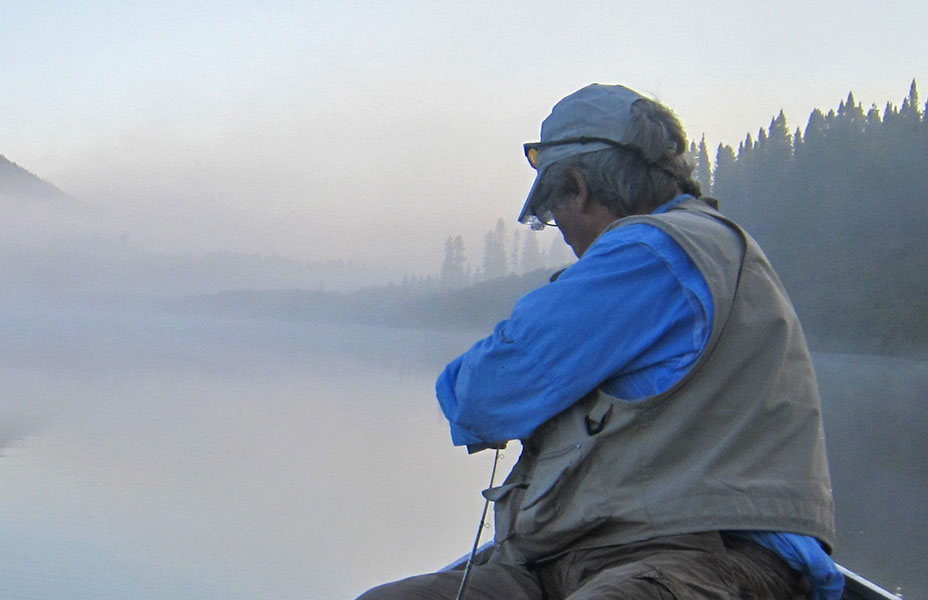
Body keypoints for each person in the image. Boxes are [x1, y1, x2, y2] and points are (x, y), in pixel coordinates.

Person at [357, 84, 841, 600]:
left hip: (708, 559)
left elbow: (480, 395)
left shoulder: (651, 252)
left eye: (552, 206)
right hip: (579, 557)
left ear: (580, 188)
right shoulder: (699, 245)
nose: (559, 227)